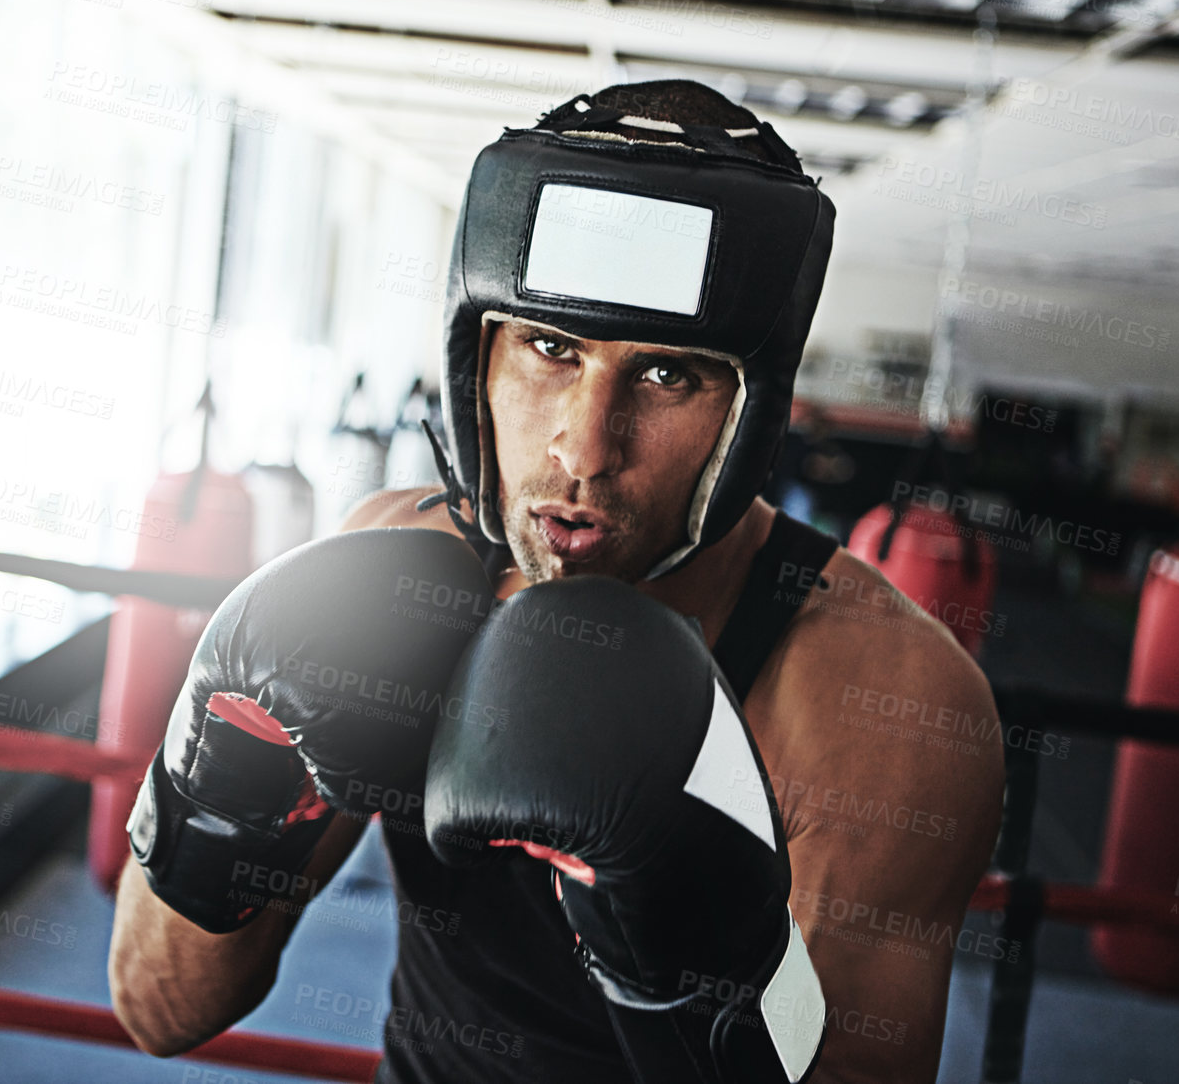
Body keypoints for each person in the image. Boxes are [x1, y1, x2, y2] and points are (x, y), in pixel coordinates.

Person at [109, 81, 1004, 1084]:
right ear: (475, 361)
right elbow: (160, 1005)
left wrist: (696, 960)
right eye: (550, 347)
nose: (583, 448)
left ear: (752, 409)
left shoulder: (884, 703)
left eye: (668, 375)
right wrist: (225, 766)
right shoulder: (393, 570)